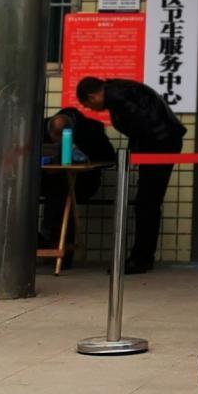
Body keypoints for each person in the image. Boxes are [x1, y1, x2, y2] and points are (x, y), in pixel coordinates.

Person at [75, 74, 184, 273]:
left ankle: (141, 258)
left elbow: (141, 126)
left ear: (92, 97)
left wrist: (135, 151)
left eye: (88, 106)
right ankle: (142, 256)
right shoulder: (119, 90)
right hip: (163, 142)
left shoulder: (118, 97)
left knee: (147, 202)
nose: (92, 109)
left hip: (160, 145)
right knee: (147, 202)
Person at [38, 105, 116, 270]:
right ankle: (48, 241)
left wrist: (83, 157)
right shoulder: (42, 127)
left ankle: (51, 240)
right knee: (51, 190)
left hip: (82, 183)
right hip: (50, 182)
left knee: (62, 190)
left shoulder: (92, 130)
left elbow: (110, 158)